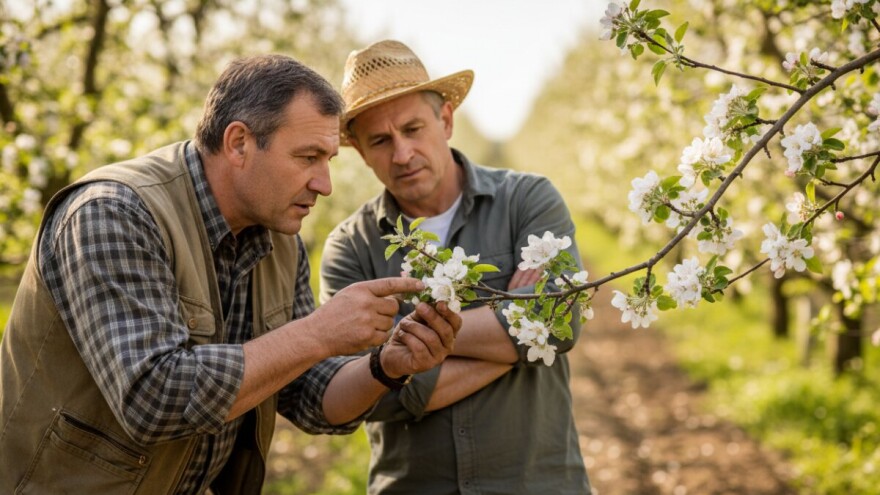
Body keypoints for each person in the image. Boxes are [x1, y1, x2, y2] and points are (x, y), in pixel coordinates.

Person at [0, 54, 462, 494]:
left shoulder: (280, 241)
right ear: (239, 143)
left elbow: (306, 394)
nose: (324, 184)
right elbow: (154, 398)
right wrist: (318, 333)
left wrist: (386, 365)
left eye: (328, 161)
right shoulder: (112, 214)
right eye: (307, 158)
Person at [321, 40, 591, 494]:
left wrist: (406, 343)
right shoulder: (351, 246)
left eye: (413, 128)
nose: (402, 154)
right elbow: (366, 396)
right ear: (362, 154)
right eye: (381, 141)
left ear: (445, 120)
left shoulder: (528, 200)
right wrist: (518, 338)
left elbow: (559, 324)